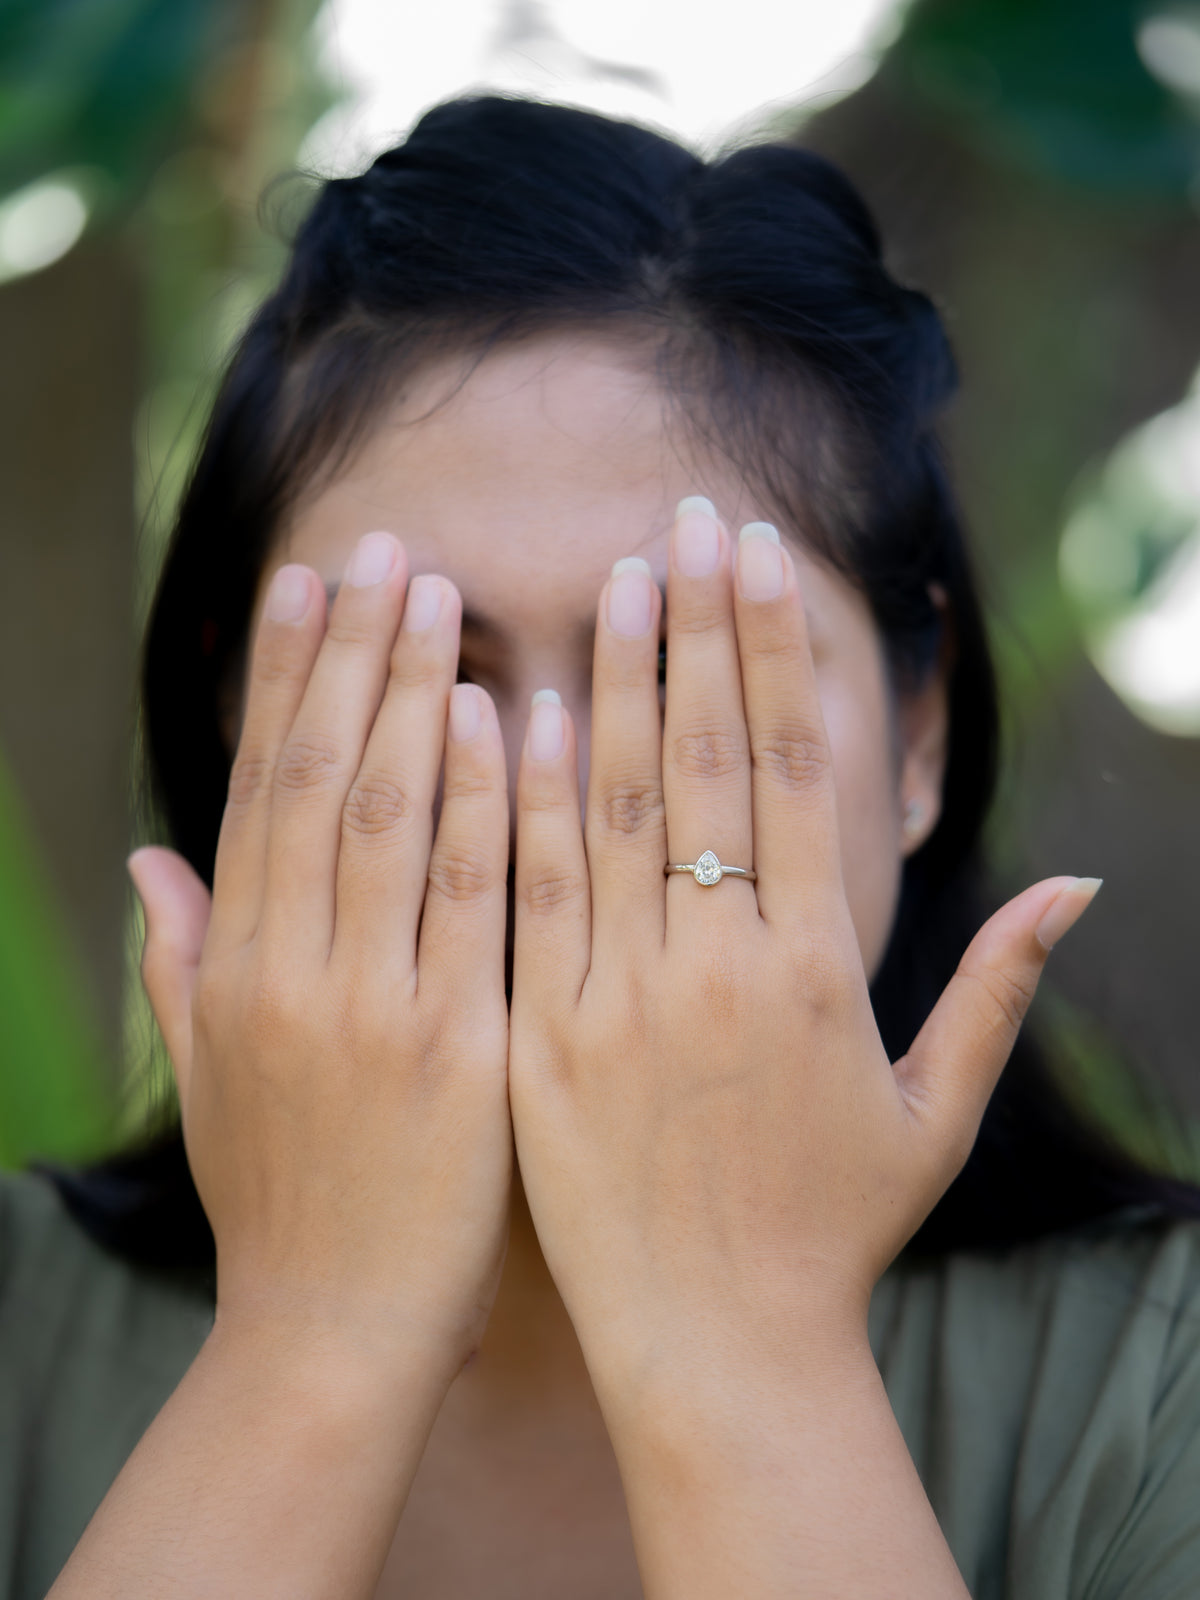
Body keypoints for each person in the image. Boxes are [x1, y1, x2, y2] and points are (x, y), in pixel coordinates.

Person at [2, 93, 1198, 1599]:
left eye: (678, 666)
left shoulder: (1163, 1388)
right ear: (232, 711)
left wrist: (742, 1345)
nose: (560, 799)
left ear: (920, 737)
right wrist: (310, 1339)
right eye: (428, 672)